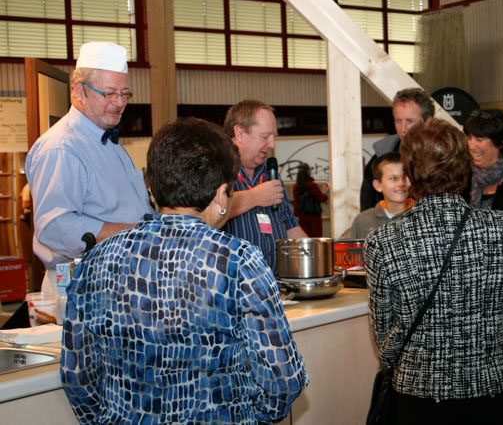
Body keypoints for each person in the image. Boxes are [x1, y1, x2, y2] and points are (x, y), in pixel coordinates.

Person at [60, 117, 309, 424]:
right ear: (221, 196)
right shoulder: (238, 261)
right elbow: (283, 378)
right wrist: (249, 417)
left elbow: (77, 375)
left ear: (150, 186)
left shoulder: (98, 259)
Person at [365, 119, 503, 424]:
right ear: (465, 168)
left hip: (421, 398)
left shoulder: (384, 241)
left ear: (409, 173)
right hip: (501, 393)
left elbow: (386, 343)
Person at [25, 42, 153, 297]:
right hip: (83, 290)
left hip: (119, 284)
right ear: (78, 90)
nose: (119, 103)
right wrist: (137, 234)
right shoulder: (60, 148)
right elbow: (55, 226)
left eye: (124, 94)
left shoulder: (109, 142)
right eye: (108, 93)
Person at [223, 100, 307, 271]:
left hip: (275, 284)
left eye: (274, 137)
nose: (272, 145)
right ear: (239, 132)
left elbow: (290, 226)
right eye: (264, 137)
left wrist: (316, 256)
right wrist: (255, 197)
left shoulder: (270, 173)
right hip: (234, 288)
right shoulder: (216, 169)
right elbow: (205, 213)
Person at [360, 88, 434, 211]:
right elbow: (368, 208)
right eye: (398, 121)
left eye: (410, 121)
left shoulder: (443, 160)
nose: (403, 128)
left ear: (428, 122)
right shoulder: (380, 158)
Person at [464, 109, 503, 212]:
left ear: (501, 143)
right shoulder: (463, 179)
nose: (471, 146)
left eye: (479, 139)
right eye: (469, 137)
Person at [347, 152, 413, 239]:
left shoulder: (421, 216)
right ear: (378, 185)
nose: (401, 183)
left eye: (405, 177)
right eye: (393, 178)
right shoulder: (363, 220)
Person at [293, 163, 328, 237]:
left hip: (302, 217)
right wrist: (324, 193)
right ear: (308, 172)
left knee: (304, 238)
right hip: (314, 217)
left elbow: (296, 203)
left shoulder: (296, 186)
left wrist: (296, 216)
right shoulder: (312, 185)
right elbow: (322, 198)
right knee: (315, 239)